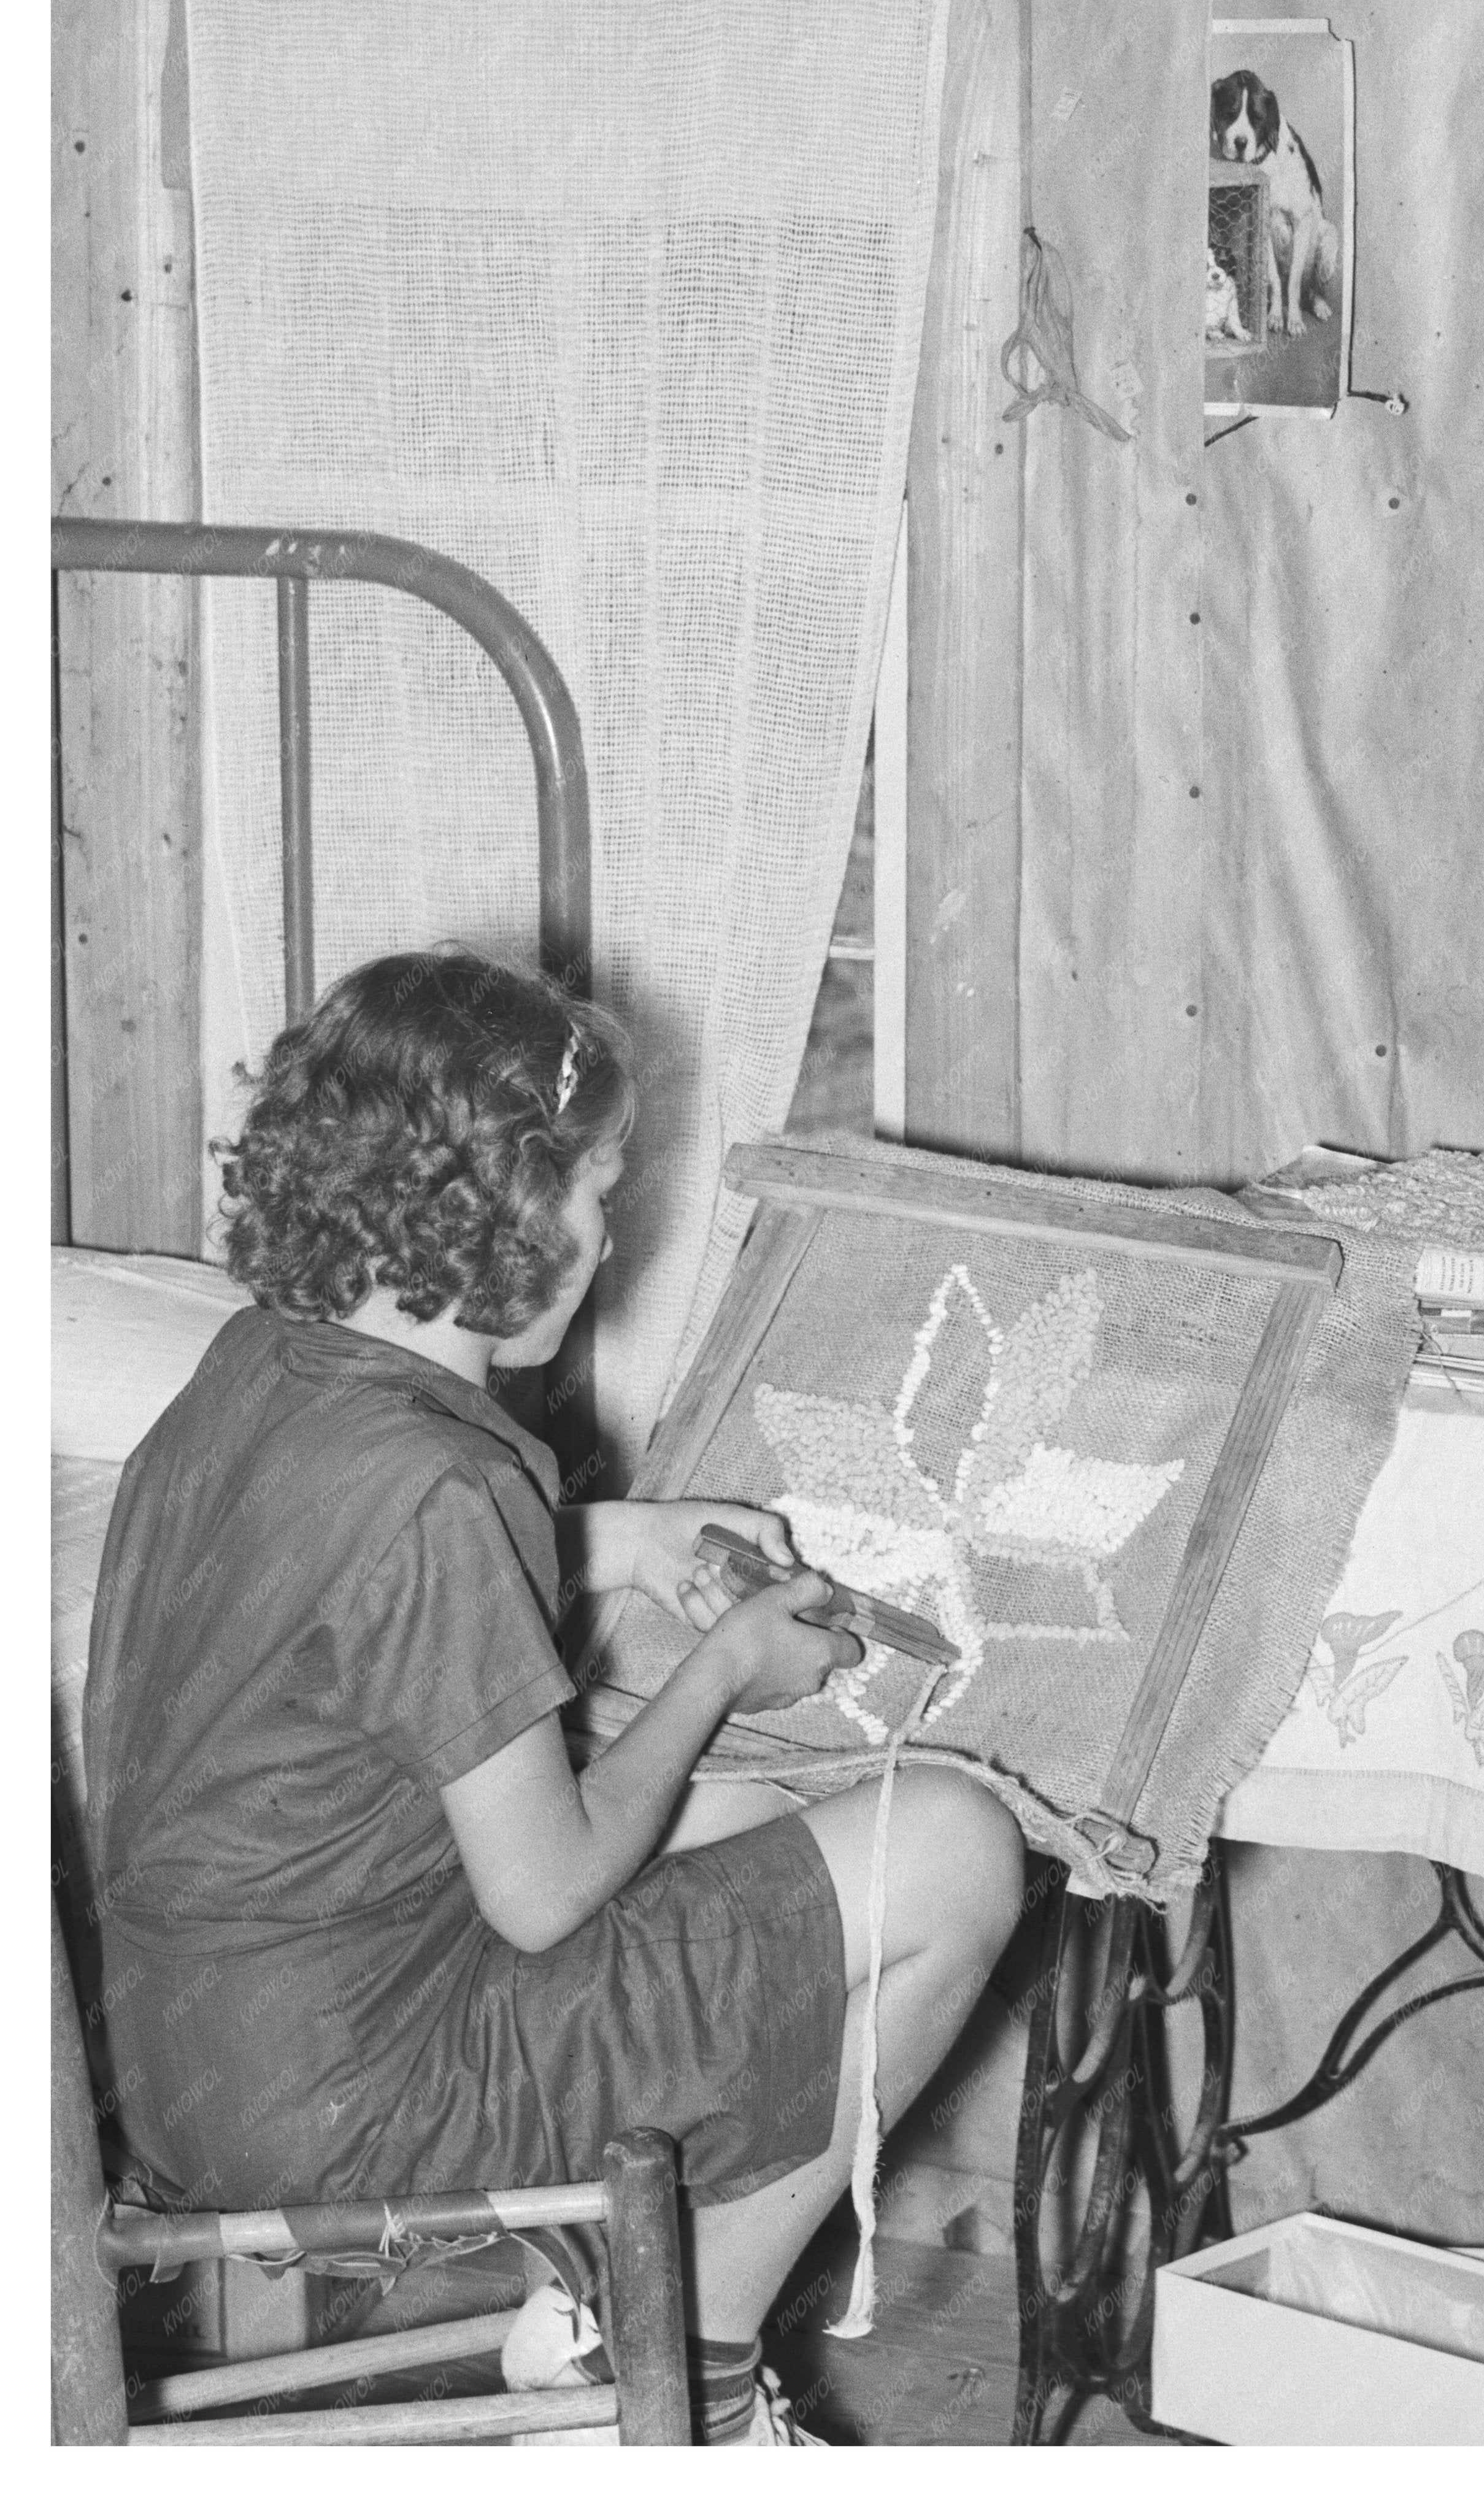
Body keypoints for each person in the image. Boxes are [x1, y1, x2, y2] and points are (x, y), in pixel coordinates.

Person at [79, 948, 1024, 2445]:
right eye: (599, 1189)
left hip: (191, 2056)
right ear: (509, 1208)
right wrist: (724, 1664)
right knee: (958, 1845)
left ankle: (604, 2286)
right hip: (353, 2096)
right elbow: (546, 1891)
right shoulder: (444, 1484)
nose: (608, 1232)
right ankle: (676, 2371)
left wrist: (621, 1541)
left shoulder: (262, 1368)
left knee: (765, 1814)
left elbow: (342, 1603)